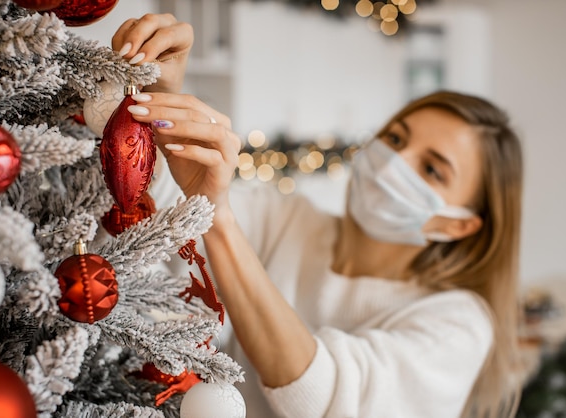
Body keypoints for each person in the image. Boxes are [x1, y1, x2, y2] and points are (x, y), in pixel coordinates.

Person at [112, 13, 524, 418]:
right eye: (395, 138)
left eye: (432, 169)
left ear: (459, 224)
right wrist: (156, 100)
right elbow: (159, 214)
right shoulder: (290, 220)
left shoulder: (457, 324)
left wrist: (218, 219)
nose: (394, 162)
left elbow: (325, 402)